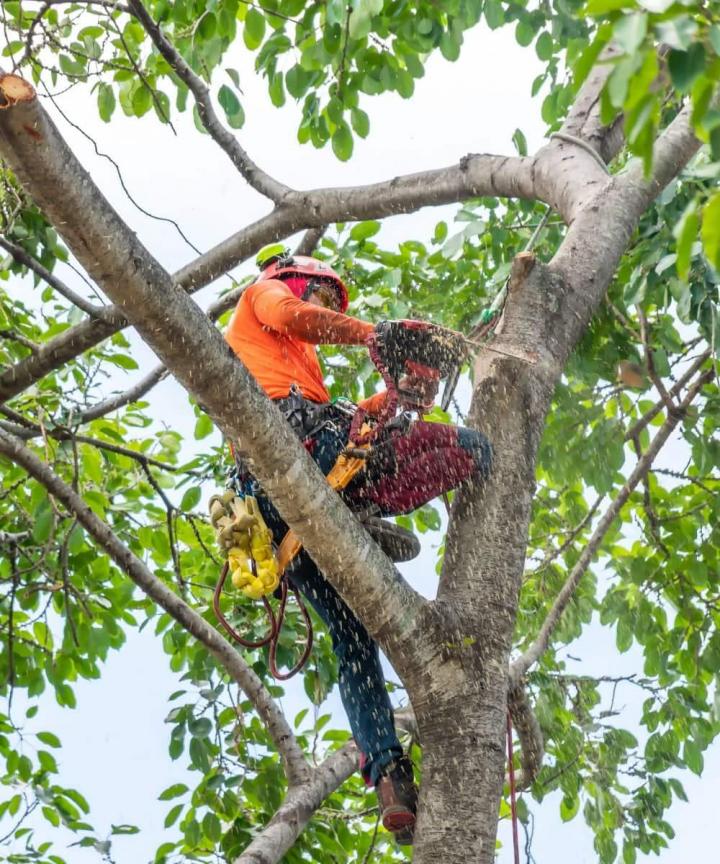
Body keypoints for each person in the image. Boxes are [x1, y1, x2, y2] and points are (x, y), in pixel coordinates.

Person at [224, 250, 492, 843]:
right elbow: (296, 316)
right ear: (298, 280)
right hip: (294, 455)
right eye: (323, 297)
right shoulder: (264, 299)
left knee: (354, 645)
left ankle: (389, 777)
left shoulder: (299, 366)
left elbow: (353, 421)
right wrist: (378, 335)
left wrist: (399, 395)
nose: (324, 311)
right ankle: (358, 512)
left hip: (295, 512)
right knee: (471, 446)